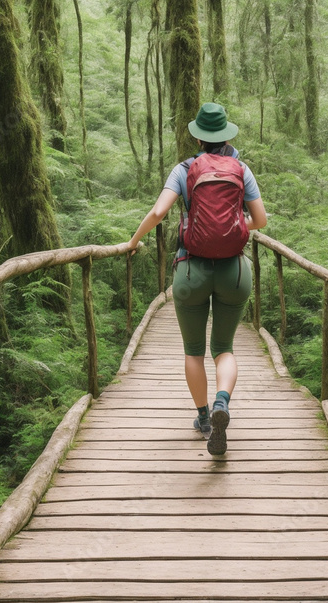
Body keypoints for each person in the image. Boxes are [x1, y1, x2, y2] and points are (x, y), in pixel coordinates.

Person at [128, 103, 267, 455]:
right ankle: (223, 402)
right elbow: (260, 220)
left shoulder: (185, 169)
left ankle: (204, 418)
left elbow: (159, 212)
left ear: (198, 136)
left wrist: (133, 241)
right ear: (226, 136)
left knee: (194, 351)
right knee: (224, 348)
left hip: (190, 270)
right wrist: (237, 227)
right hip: (235, 273)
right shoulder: (241, 169)